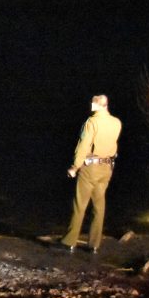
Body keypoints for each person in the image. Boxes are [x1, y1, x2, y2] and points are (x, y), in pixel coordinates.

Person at [61, 94, 122, 254]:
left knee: (80, 204)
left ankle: (69, 242)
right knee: (99, 205)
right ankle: (94, 244)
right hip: (107, 168)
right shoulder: (116, 123)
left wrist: (75, 167)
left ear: (97, 105)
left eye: (93, 104)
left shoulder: (92, 122)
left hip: (91, 168)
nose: (91, 106)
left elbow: (83, 146)